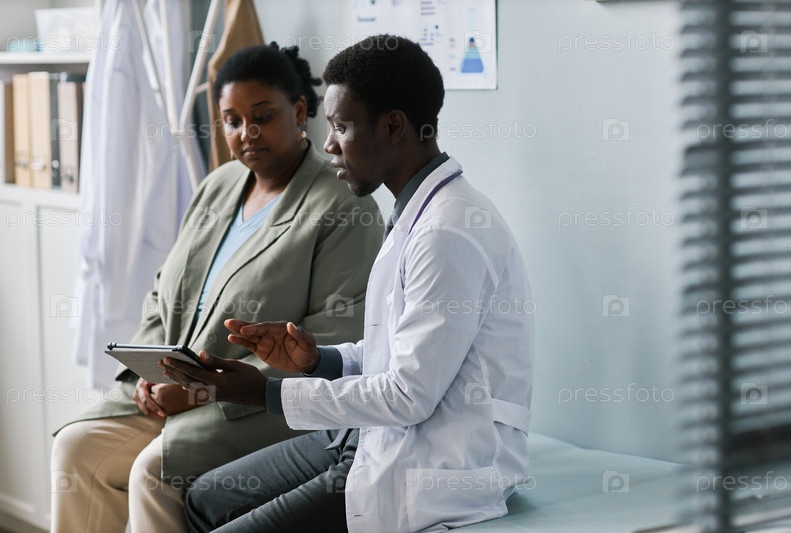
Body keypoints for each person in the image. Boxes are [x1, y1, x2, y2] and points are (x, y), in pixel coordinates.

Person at [163, 34, 534, 532]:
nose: (328, 144)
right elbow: (398, 353)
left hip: (434, 463)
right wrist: (318, 360)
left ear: (393, 126)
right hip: (371, 434)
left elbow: (407, 395)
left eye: (340, 126)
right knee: (204, 498)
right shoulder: (414, 213)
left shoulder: (448, 232)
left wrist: (265, 392)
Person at [50, 43, 383, 533]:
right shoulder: (219, 185)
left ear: (298, 111)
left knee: (153, 474)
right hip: (169, 390)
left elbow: (328, 342)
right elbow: (163, 293)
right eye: (231, 121)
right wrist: (147, 372)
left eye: (262, 116)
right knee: (76, 450)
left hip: (253, 405)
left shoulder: (341, 206)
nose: (246, 133)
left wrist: (203, 391)